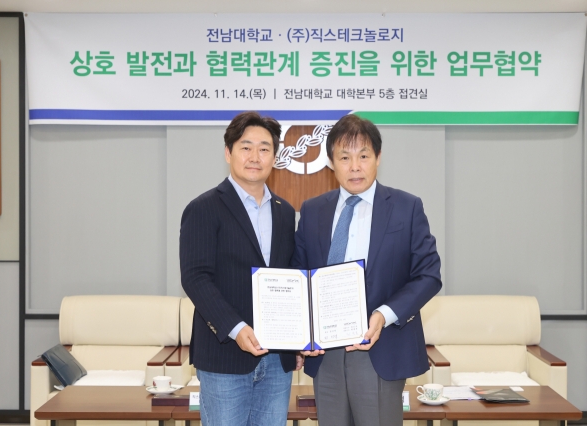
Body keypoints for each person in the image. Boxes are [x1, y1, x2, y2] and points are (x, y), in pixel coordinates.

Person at [292, 114, 442, 426]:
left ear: (378, 158)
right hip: (325, 352)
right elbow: (298, 276)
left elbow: (429, 274)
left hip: (380, 346)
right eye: (344, 157)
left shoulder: (405, 207)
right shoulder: (313, 210)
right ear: (331, 162)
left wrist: (384, 314)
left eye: (363, 156)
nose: (355, 166)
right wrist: (299, 332)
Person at [180, 111, 302, 426]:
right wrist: (237, 329)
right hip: (225, 356)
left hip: (276, 359)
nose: (254, 156)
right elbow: (196, 278)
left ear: (275, 156)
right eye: (245, 147)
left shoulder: (285, 212)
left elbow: (291, 277)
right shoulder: (203, 208)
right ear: (228, 152)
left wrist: (299, 339)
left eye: (264, 148)